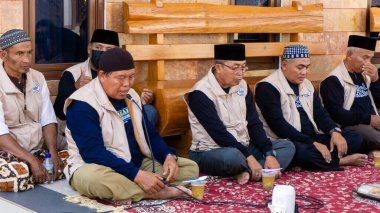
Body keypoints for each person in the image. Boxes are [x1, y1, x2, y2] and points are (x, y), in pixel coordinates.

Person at [64, 48, 199, 201]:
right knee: (97, 181)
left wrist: (168, 156)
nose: (127, 84)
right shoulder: (82, 104)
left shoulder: (131, 96)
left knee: (189, 168)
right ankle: (153, 191)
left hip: (135, 163)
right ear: (102, 76)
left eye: (131, 77)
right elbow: (93, 153)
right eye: (121, 78)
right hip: (97, 167)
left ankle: (135, 188)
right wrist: (137, 175)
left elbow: (150, 134)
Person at [184, 44, 295, 185]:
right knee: (233, 157)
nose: (240, 73)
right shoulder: (200, 93)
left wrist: (268, 153)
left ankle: (248, 172)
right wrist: (248, 156)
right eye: (235, 67)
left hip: (244, 145)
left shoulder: (242, 86)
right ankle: (259, 170)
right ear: (218, 68)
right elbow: (219, 135)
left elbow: (254, 123)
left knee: (287, 147)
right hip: (211, 151)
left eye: (243, 67)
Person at [255, 44, 367, 171]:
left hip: (312, 137)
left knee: (354, 137)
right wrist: (312, 143)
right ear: (285, 65)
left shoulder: (306, 84)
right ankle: (341, 161)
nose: (304, 72)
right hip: (288, 140)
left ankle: (321, 159)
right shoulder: (267, 87)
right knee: (303, 152)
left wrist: (334, 131)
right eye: (300, 67)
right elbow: (279, 126)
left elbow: (320, 113)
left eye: (307, 67)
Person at [54, 29, 157, 150]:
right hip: (85, 133)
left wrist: (142, 101)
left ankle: (133, 152)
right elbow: (59, 112)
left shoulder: (120, 71)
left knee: (149, 111)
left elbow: (124, 105)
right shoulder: (72, 74)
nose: (103, 52)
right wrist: (75, 89)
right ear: (89, 49)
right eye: (98, 47)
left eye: (109, 50)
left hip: (113, 128)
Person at [0, 29, 63, 192]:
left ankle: (36, 168)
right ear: (3, 55)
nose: (27, 59)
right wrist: (33, 161)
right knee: (16, 177)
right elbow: (1, 134)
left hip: (36, 147)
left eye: (29, 53)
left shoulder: (37, 78)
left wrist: (53, 152)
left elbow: (47, 118)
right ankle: (31, 169)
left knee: (69, 163)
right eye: (19, 53)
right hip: (8, 151)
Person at [320, 35, 380, 155]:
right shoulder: (333, 80)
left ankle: (372, 148)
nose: (368, 63)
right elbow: (337, 115)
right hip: (352, 127)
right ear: (349, 56)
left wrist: (376, 80)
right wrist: (369, 119)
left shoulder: (365, 75)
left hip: (372, 121)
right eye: (365, 58)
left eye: (370, 58)